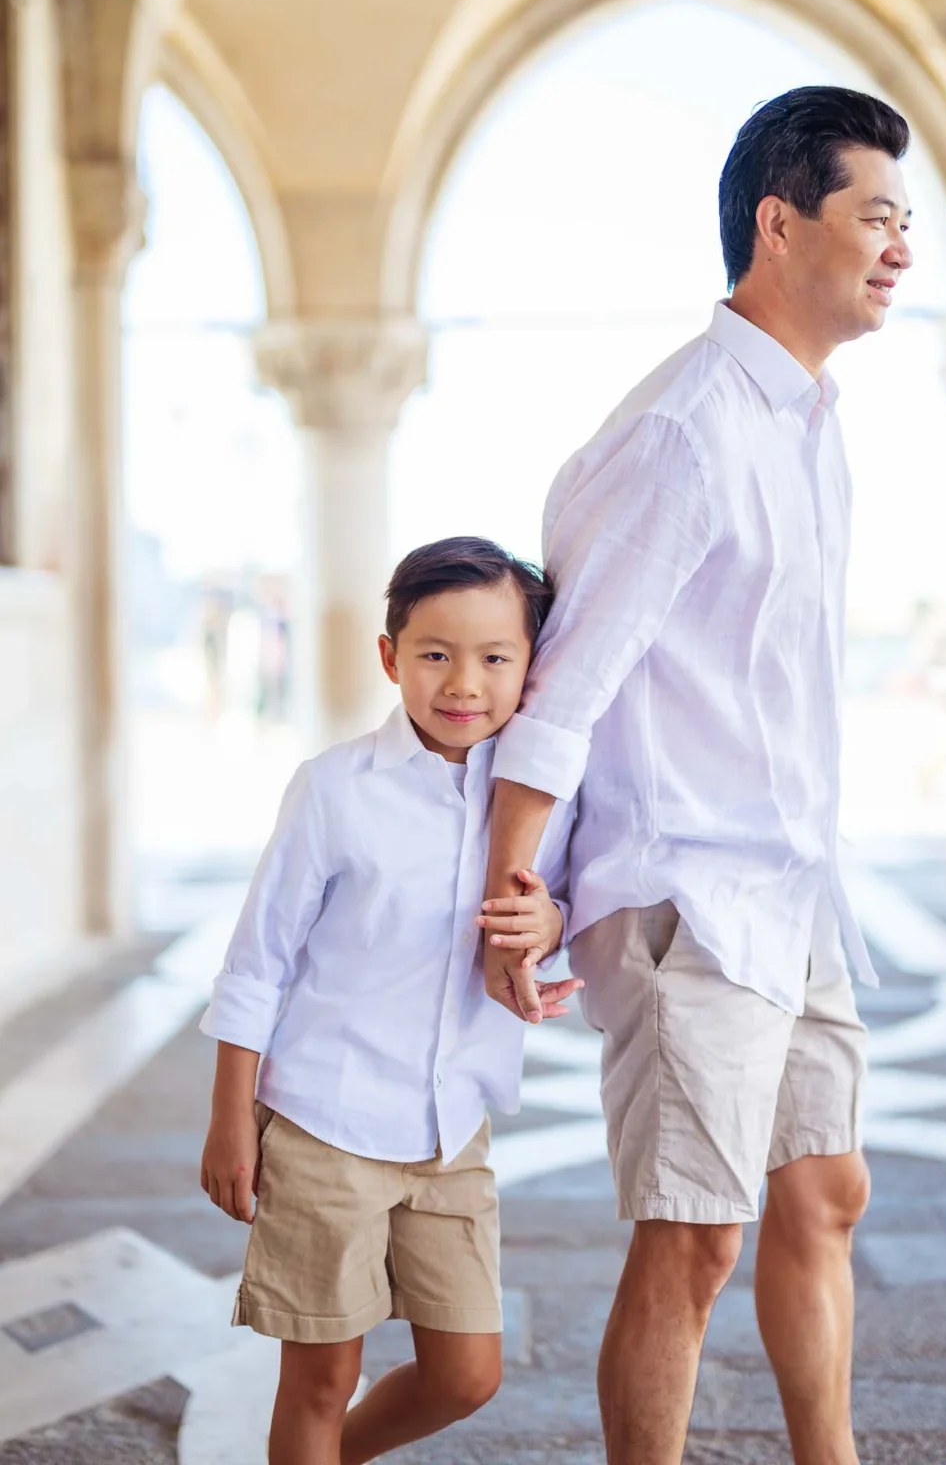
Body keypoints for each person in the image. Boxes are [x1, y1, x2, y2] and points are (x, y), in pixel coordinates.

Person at [479, 86, 914, 1465]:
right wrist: (516, 891)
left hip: (788, 889)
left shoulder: (808, 420)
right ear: (778, 225)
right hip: (687, 894)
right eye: (876, 215)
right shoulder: (681, 430)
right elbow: (571, 682)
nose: (899, 247)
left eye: (907, 221)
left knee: (824, 1193)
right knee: (692, 1239)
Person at [199, 536, 580, 1465]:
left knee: (467, 1375)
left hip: (452, 1131)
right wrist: (228, 1121)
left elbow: (557, 907)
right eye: (435, 654)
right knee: (320, 1380)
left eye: (495, 658)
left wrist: (551, 926)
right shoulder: (334, 791)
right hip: (327, 1124)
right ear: (390, 657)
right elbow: (259, 963)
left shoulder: (537, 799)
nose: (464, 683)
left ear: (532, 667)